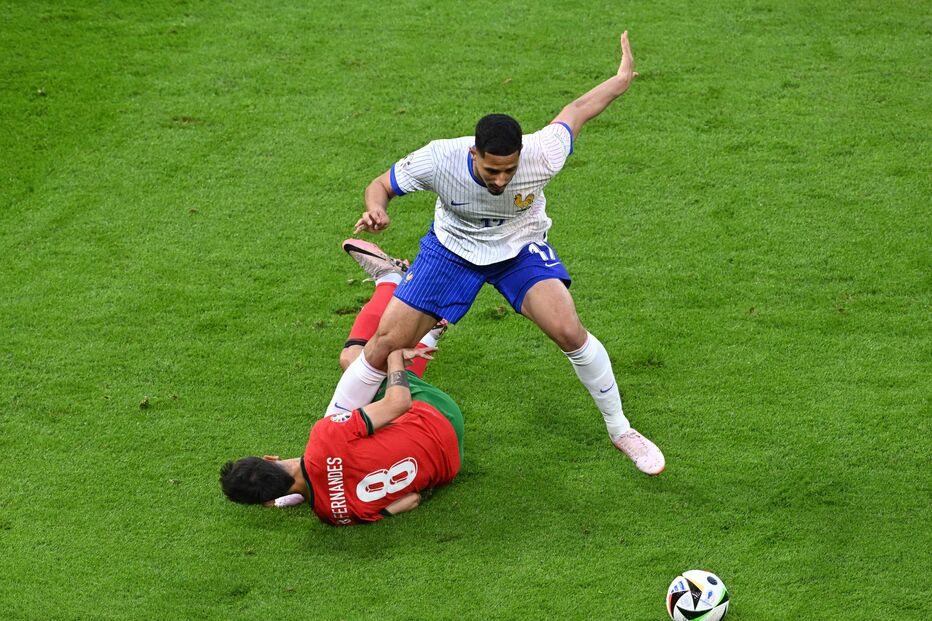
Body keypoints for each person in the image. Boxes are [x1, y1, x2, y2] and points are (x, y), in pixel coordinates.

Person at [326, 31, 665, 475]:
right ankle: (328, 441)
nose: (501, 179)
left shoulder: (542, 154)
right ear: (474, 153)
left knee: (568, 330)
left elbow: (578, 110)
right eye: (491, 170)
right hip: (450, 252)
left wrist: (620, 80)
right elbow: (382, 185)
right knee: (382, 347)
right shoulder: (439, 159)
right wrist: (376, 211)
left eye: (509, 170)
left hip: (518, 248)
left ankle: (621, 430)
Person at [220, 244, 462, 525]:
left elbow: (411, 501)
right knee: (357, 359)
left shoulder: (334, 516)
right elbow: (399, 403)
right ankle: (391, 280)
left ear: (267, 501)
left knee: (365, 379)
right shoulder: (325, 437)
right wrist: (395, 358)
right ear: (269, 457)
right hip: (436, 414)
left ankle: (431, 331)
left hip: (451, 462)